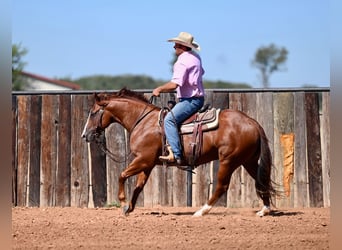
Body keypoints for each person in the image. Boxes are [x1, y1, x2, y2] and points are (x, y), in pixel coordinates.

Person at [152, 31, 205, 165]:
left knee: (169, 120)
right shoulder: (195, 57)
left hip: (190, 100)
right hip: (197, 98)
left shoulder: (182, 61)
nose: (174, 47)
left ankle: (176, 154)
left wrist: (159, 89)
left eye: (176, 45)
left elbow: (174, 84)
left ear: (183, 46)